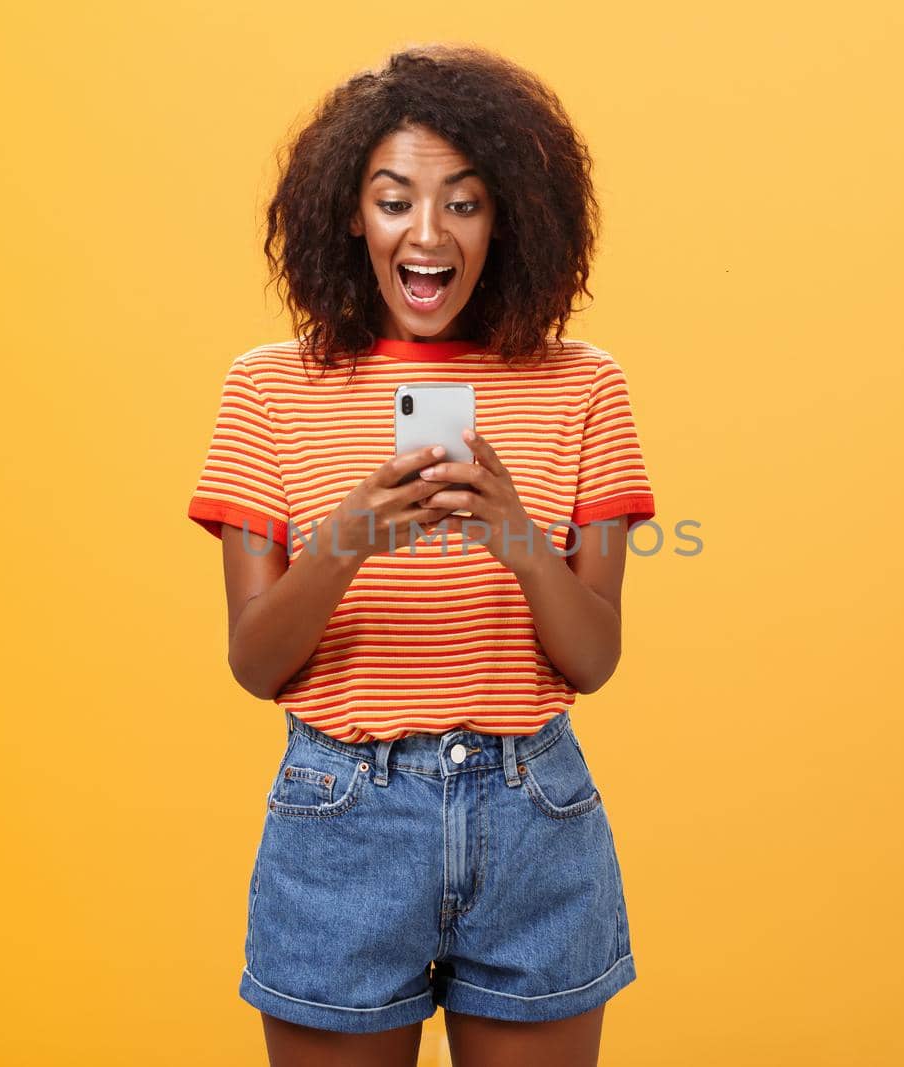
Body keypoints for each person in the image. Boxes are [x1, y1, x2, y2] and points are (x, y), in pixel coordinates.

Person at [185, 44, 655, 1067]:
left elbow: (594, 658)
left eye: (465, 203)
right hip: (340, 819)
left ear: (509, 220)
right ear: (351, 214)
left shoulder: (584, 386)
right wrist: (348, 537)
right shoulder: (269, 389)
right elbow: (255, 663)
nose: (428, 234)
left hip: (535, 818)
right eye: (395, 200)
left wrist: (521, 540)